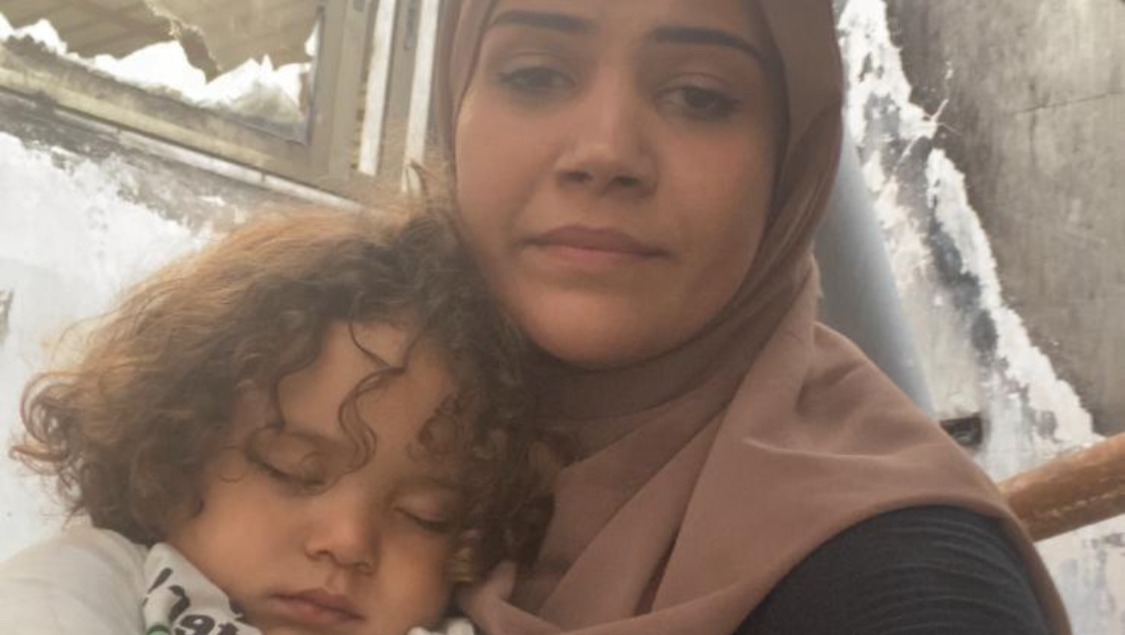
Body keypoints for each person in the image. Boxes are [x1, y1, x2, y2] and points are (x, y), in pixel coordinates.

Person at [437, 0, 1072, 633]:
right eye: (534, 75)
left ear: (790, 160)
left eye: (700, 96)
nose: (604, 152)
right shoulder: (390, 435)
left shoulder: (911, 584)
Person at [0, 208, 555, 635]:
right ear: (172, 457)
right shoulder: (101, 575)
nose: (347, 542)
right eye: (292, 469)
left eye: (425, 516)